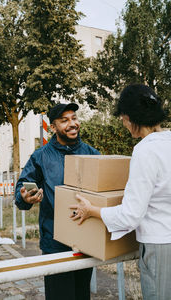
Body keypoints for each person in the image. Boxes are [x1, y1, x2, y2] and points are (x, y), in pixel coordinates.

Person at [70, 84, 171, 300]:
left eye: (123, 118)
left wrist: (92, 210)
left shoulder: (145, 150)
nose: (124, 124)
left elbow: (130, 215)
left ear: (130, 117)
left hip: (160, 246)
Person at [15, 102, 100, 300]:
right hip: (54, 242)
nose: (72, 124)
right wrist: (25, 197)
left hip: (86, 238)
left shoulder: (92, 154)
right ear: (53, 127)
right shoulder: (40, 157)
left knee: (81, 295)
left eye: (74, 118)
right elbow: (21, 194)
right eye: (64, 121)